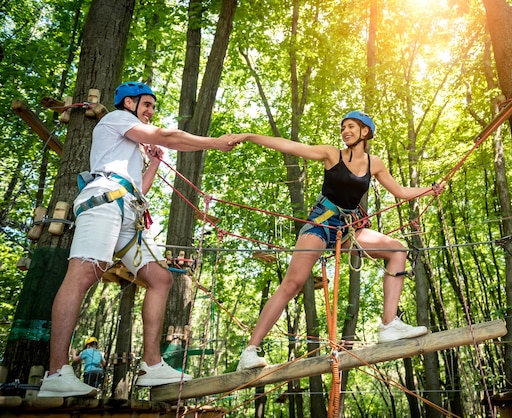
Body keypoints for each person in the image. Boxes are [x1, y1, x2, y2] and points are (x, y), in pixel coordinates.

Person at [38, 81, 242, 397]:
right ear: (129, 103)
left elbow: (140, 188)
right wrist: (214, 142)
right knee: (83, 274)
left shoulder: (129, 144)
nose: (150, 111)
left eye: (152, 107)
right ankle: (55, 372)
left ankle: (152, 365)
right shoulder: (117, 119)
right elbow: (167, 135)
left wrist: (156, 161)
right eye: (146, 104)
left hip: (126, 211)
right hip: (103, 201)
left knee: (160, 278)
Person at [224, 111, 445, 371]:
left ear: (365, 132)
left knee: (397, 249)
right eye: (342, 128)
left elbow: (400, 192)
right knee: (293, 284)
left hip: (348, 229)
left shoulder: (376, 164)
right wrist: (250, 136)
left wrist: (430, 189)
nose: (345, 131)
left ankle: (389, 324)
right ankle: (250, 351)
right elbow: (291, 146)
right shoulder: (332, 154)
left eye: (350, 127)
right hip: (321, 223)